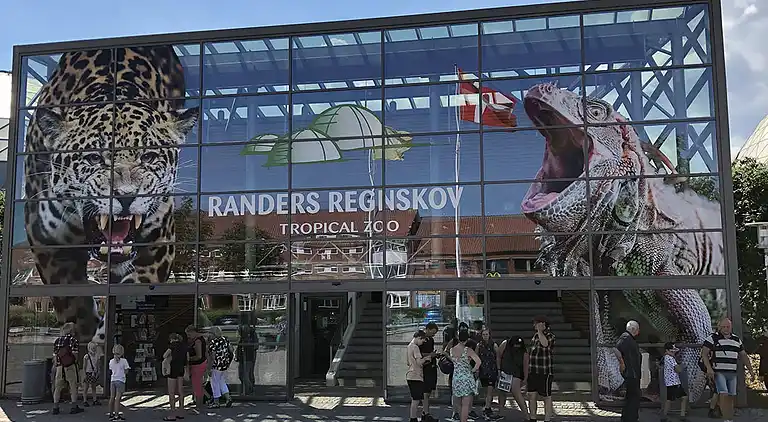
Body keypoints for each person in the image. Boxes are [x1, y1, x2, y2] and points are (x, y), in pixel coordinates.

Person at [702, 318, 754, 422]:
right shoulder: (712, 338)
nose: (726, 329)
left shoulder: (736, 339)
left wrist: (751, 370)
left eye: (728, 327)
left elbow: (743, 355)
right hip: (719, 371)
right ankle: (726, 418)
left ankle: (729, 418)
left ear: (731, 327)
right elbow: (704, 354)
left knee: (731, 396)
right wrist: (709, 368)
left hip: (732, 372)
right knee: (723, 394)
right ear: (719, 327)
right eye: (724, 327)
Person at [449, 330, 482, 422]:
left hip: (456, 377)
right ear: (467, 339)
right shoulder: (468, 350)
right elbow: (478, 362)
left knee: (458, 403)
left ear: (458, 338)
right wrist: (472, 370)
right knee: (466, 404)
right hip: (466, 377)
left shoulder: (452, 350)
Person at [52, 322, 84, 415]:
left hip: (59, 367)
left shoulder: (57, 340)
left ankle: (55, 407)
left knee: (58, 387)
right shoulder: (73, 340)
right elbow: (75, 356)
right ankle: (74, 407)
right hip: (70, 366)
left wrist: (57, 365)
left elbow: (55, 356)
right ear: (72, 331)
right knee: (73, 386)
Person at [528, 315, 555, 422]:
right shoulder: (535, 336)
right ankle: (532, 418)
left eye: (536, 323)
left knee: (546, 396)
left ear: (543, 324)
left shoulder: (550, 336)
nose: (534, 325)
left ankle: (547, 419)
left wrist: (540, 331)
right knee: (532, 395)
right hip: (533, 370)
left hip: (544, 371)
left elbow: (545, 344)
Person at [614, 320, 641, 422]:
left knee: (631, 397)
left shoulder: (629, 338)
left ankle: (628, 417)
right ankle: (630, 418)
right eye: (637, 329)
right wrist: (622, 363)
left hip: (633, 373)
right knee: (633, 397)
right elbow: (616, 349)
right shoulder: (625, 337)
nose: (638, 332)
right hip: (631, 373)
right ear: (633, 329)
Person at [497, 335, 529, 420]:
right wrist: (499, 369)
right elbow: (498, 356)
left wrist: (525, 378)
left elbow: (526, 366)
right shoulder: (505, 344)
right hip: (504, 372)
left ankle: (527, 416)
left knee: (517, 394)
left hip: (516, 374)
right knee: (502, 393)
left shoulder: (524, 352)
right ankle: (500, 412)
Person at [407, 330, 435, 422]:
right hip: (416, 375)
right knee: (416, 400)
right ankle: (413, 418)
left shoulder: (409, 346)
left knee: (415, 399)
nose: (422, 343)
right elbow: (419, 362)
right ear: (419, 338)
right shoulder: (415, 347)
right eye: (422, 340)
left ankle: (413, 418)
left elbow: (408, 362)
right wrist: (427, 358)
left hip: (410, 374)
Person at [476, 328, 502, 420]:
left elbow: (498, 357)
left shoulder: (494, 345)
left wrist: (498, 369)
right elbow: (476, 357)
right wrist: (477, 369)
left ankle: (487, 408)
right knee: (486, 391)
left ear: (489, 335)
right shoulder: (479, 345)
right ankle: (488, 407)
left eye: (487, 334)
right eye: (484, 334)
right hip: (483, 370)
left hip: (492, 370)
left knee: (490, 390)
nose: (485, 336)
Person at [162, 333, 188, 421]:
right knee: (180, 391)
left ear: (171, 339)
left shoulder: (172, 345)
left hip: (172, 369)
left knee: (171, 392)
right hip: (181, 369)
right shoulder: (184, 346)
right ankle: (181, 412)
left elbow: (164, 355)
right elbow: (186, 359)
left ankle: (172, 414)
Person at [661, 343, 688, 422]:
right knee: (684, 397)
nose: (673, 351)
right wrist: (681, 367)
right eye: (671, 350)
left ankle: (664, 416)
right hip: (674, 382)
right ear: (667, 350)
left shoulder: (666, 357)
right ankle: (682, 416)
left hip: (669, 382)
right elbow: (678, 370)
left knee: (669, 399)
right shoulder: (670, 358)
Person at [208, 326, 234, 408]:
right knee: (221, 381)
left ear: (213, 333)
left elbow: (213, 357)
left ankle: (216, 402)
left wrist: (209, 368)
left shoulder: (213, 343)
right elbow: (231, 350)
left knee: (214, 383)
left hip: (216, 365)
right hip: (224, 364)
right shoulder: (225, 339)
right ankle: (228, 398)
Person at [419, 322, 439, 422]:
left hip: (431, 366)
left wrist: (434, 355)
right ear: (427, 329)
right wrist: (430, 355)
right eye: (432, 332)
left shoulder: (431, 340)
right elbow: (419, 354)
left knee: (429, 391)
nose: (433, 335)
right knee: (425, 392)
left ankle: (425, 412)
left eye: (434, 333)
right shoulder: (421, 339)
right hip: (424, 367)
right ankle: (425, 413)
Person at [186, 325, 209, 412]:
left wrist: (188, 359)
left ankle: (199, 406)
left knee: (197, 386)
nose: (188, 336)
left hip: (198, 365)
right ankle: (199, 404)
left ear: (193, 332)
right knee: (198, 385)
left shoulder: (198, 341)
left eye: (189, 334)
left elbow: (199, 356)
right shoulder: (201, 339)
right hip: (201, 364)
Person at [108, 344, 130, 421]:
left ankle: (111, 414)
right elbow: (126, 371)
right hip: (120, 380)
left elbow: (111, 369)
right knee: (118, 398)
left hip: (113, 380)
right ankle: (117, 415)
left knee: (112, 397)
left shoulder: (111, 361)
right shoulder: (124, 361)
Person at [236, 324, 258, 395]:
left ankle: (250, 389)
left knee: (246, 375)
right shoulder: (242, 338)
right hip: (242, 358)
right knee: (241, 375)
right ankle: (247, 388)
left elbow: (255, 347)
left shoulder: (251, 336)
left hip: (248, 358)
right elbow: (239, 347)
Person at [82, 341, 103, 407]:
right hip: (88, 372)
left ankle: (94, 400)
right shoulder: (86, 356)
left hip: (94, 372)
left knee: (94, 387)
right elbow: (84, 366)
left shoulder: (97, 356)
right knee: (86, 387)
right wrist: (84, 374)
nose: (94, 349)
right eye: (93, 348)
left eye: (95, 348)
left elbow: (98, 364)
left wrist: (98, 371)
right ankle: (85, 400)